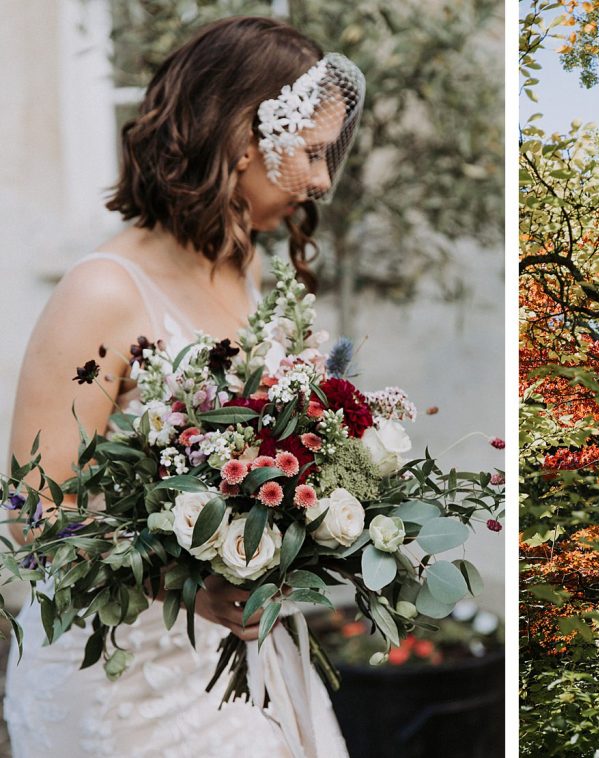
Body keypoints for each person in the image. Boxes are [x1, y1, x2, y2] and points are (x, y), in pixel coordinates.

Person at [4, 16, 363, 757]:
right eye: (310, 153)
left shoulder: (245, 268)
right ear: (241, 143)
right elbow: (33, 520)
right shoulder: (101, 295)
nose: (323, 180)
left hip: (239, 656)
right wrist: (186, 585)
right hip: (122, 676)